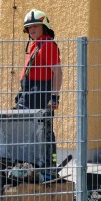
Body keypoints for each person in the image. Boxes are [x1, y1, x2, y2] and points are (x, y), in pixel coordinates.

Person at [14, 9, 62, 173]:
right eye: (29, 27)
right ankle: (30, 164)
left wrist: (54, 97)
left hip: (41, 93)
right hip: (28, 93)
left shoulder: (47, 44)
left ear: (44, 27)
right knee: (24, 131)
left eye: (35, 26)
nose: (32, 29)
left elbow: (58, 72)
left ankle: (49, 166)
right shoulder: (35, 44)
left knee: (44, 130)